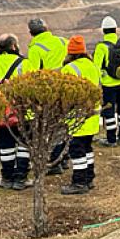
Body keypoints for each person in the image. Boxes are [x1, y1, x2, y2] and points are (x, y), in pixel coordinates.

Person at [0, 34, 37, 191]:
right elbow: (34, 87)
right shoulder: (24, 64)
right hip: (23, 112)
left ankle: (7, 177)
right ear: (14, 46)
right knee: (24, 144)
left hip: (1, 114)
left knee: (6, 145)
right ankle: (21, 178)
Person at [26, 18, 70, 175]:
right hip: (67, 88)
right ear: (47, 28)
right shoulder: (63, 41)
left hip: (49, 93)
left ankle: (54, 162)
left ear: (31, 33)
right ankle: (64, 158)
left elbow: (33, 74)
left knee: (51, 127)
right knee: (64, 124)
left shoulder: (35, 49)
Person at [60, 36, 101, 195]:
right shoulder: (93, 66)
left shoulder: (68, 69)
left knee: (76, 150)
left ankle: (79, 182)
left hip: (76, 118)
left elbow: (65, 96)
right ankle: (89, 178)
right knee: (87, 147)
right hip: (93, 116)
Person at [93, 15, 120, 147]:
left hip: (108, 85)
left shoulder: (101, 47)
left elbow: (96, 67)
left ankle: (111, 139)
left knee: (109, 112)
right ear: (115, 29)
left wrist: (99, 79)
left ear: (103, 30)